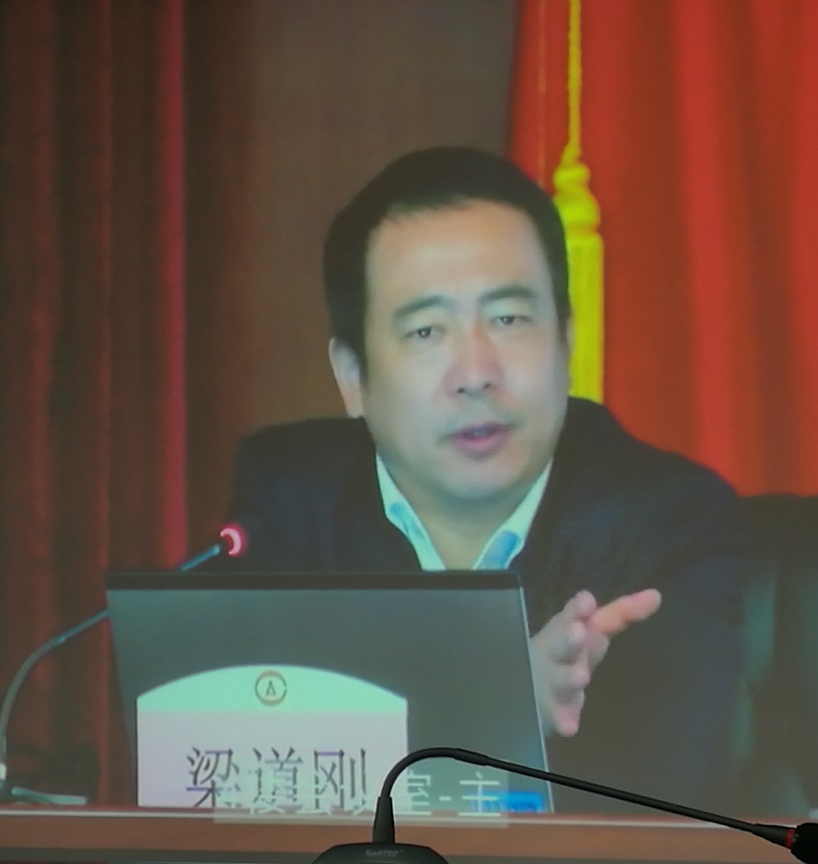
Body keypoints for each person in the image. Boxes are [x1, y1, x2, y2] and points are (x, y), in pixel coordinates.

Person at [226, 146, 747, 812]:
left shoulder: (668, 521)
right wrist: (493, 703)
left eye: (508, 320)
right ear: (353, 377)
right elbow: (247, 785)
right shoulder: (289, 504)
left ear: (566, 342)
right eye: (426, 331)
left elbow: (656, 813)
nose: (475, 373)